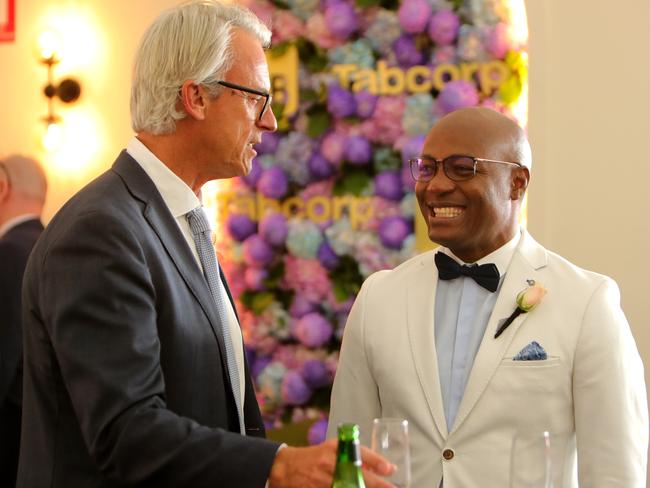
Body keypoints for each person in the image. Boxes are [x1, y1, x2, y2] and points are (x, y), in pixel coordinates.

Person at [17, 2, 394, 487]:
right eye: (258, 98)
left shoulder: (176, 220)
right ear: (195, 97)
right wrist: (278, 465)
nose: (271, 121)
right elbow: (126, 434)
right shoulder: (101, 231)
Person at [327, 107, 648, 487]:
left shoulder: (587, 301)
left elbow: (615, 473)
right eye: (428, 168)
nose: (436, 185)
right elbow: (347, 454)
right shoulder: (379, 297)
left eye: (462, 168)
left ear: (517, 183)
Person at [0, 155, 47, 487]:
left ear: (2, 187)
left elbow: (3, 353)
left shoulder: (7, 252)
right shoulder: (52, 246)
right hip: (40, 433)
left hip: (8, 433)